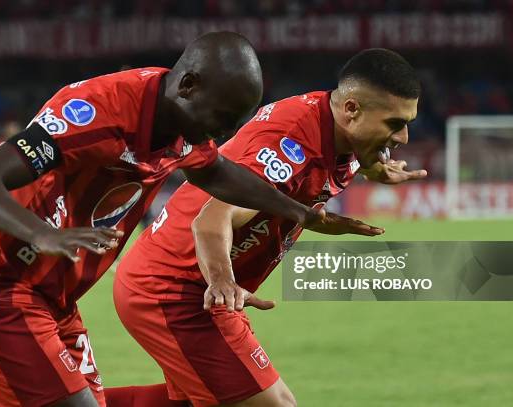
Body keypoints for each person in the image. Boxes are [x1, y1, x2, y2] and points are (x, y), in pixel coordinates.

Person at [0, 32, 380, 407]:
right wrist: (41, 233)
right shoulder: (95, 112)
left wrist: (300, 213)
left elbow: (218, 173)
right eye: (221, 119)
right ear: (188, 86)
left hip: (51, 293)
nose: (220, 133)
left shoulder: (183, 125)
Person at [112, 48, 427, 407]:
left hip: (176, 280)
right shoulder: (289, 147)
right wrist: (222, 282)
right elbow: (212, 221)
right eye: (394, 124)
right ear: (352, 109)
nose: (402, 138)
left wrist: (372, 167)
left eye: (407, 124)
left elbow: (306, 188)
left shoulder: (342, 132)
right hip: (177, 288)